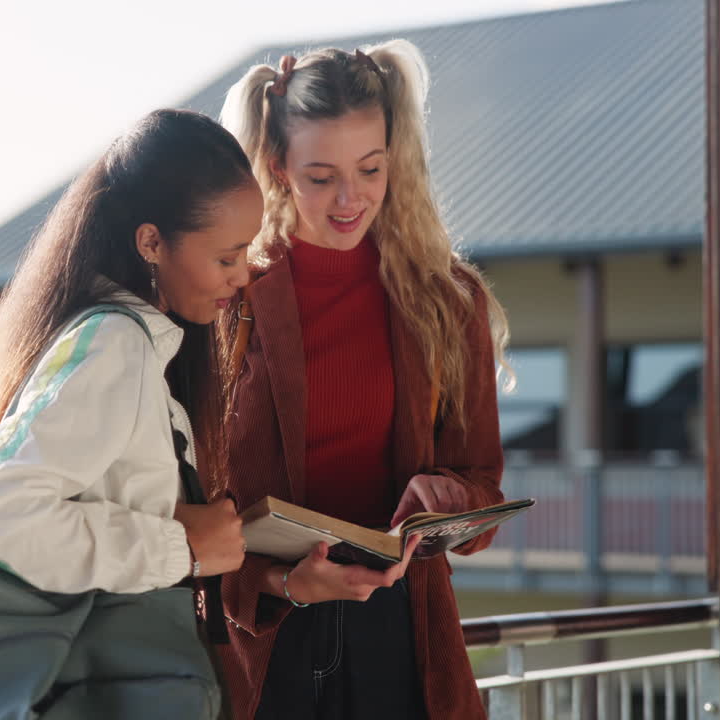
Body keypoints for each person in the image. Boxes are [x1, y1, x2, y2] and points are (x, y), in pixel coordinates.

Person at [215, 40, 513, 719]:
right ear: (276, 166)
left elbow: (482, 488)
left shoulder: (447, 300)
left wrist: (440, 494)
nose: (351, 199)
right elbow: (181, 507)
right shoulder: (227, 300)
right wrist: (284, 580)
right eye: (321, 177)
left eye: (370, 169)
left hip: (403, 640)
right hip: (262, 644)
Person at [0, 108, 261, 716]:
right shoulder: (114, 347)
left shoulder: (128, 343)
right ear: (150, 243)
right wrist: (181, 549)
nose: (243, 276)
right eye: (227, 258)